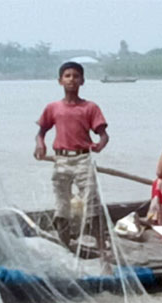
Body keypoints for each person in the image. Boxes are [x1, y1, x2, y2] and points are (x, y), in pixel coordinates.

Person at [33, 62, 109, 246]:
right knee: (62, 206)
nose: (71, 80)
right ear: (60, 81)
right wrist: (40, 144)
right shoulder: (53, 108)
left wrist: (100, 145)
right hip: (61, 160)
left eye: (76, 76)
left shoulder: (90, 108)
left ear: (82, 81)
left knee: (92, 203)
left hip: (83, 158)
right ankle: (65, 246)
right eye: (67, 76)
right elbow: (41, 132)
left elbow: (104, 135)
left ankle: (103, 250)